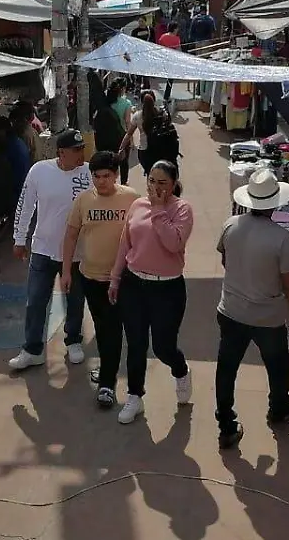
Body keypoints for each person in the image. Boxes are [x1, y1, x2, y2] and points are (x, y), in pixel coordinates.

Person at [216, 169, 289, 449]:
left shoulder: (231, 225)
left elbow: (226, 261)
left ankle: (226, 425)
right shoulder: (282, 238)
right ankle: (278, 409)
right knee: (277, 365)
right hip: (267, 316)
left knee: (227, 368)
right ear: (274, 203)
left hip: (231, 310)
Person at [108, 160, 194, 424]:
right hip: (134, 283)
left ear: (173, 184)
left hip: (167, 288)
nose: (155, 187)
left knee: (163, 346)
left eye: (162, 183)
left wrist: (158, 210)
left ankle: (180, 370)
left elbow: (173, 243)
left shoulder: (182, 210)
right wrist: (115, 278)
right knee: (135, 343)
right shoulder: (137, 205)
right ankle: (135, 395)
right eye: (151, 181)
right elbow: (125, 243)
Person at [9, 129, 92, 371]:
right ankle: (32, 349)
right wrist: (19, 238)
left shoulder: (89, 173)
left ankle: (73, 340)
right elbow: (25, 205)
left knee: (75, 300)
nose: (81, 154)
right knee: (35, 301)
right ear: (61, 152)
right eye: (76, 150)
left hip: (77, 253)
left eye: (82, 149)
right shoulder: (39, 171)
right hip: (43, 249)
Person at [61, 151, 139, 409]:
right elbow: (71, 236)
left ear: (115, 175)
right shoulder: (83, 201)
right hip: (91, 278)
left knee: (116, 329)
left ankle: (108, 382)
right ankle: (107, 375)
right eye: (96, 176)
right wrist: (66, 271)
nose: (101, 181)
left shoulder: (132, 198)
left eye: (106, 176)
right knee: (104, 328)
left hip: (123, 279)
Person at [119, 91, 174, 176]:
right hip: (159, 149)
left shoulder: (137, 116)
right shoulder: (161, 114)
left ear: (141, 102)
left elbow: (129, 133)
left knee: (150, 173)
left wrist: (121, 147)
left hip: (144, 152)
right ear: (154, 100)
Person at [108, 80, 135, 184]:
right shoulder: (126, 103)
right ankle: (123, 183)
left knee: (111, 161)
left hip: (109, 135)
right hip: (122, 136)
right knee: (123, 162)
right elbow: (127, 122)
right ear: (123, 89)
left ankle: (111, 182)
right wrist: (131, 139)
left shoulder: (108, 101)